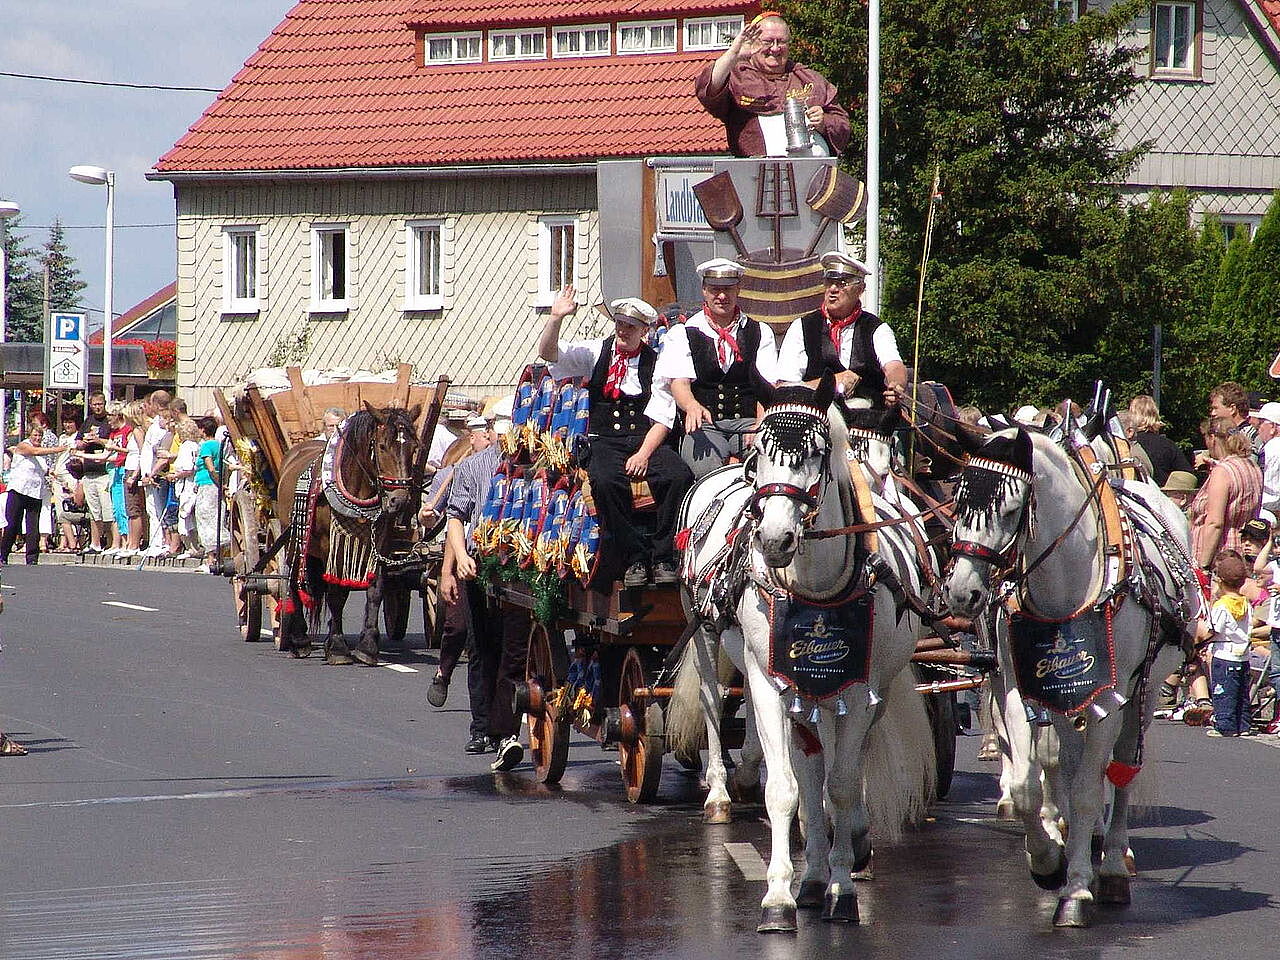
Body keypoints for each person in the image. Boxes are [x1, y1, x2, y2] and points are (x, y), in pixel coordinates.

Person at [538, 286, 693, 588]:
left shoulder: (657, 360)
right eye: (620, 324)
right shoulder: (596, 351)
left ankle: (663, 557)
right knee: (607, 481)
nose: (623, 331)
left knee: (679, 476)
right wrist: (556, 317)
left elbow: (664, 414)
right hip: (604, 440)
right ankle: (634, 557)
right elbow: (549, 354)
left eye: (630, 327)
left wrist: (644, 454)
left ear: (644, 330)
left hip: (644, 439)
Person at [440, 414, 530, 771]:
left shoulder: (534, 464)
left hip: (523, 567)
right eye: (501, 432)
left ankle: (506, 732)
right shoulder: (473, 467)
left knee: (514, 650)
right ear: (491, 433)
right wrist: (459, 558)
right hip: (479, 565)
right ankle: (483, 727)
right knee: (482, 649)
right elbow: (456, 517)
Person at [648, 258, 777, 478]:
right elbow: (679, 382)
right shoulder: (684, 333)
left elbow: (768, 386)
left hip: (748, 423)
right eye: (716, 290)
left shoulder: (760, 331)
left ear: (738, 289)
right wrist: (691, 406)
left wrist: (760, 423)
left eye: (728, 289)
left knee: (772, 464)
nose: (722, 296)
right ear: (704, 291)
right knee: (707, 472)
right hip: (706, 426)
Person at [694, 13, 850, 158]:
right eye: (768, 42)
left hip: (813, 177)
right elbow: (708, 89)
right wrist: (734, 53)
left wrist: (824, 123)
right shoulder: (738, 77)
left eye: (781, 42)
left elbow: (842, 125)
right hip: (757, 177)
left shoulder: (809, 78)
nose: (775, 48)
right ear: (754, 42)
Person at [774, 251, 908, 408]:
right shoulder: (802, 327)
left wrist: (896, 386)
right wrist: (832, 382)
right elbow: (785, 388)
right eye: (828, 282)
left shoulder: (877, 329)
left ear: (860, 289)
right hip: (817, 421)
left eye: (842, 283)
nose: (832, 289)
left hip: (869, 420)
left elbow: (894, 366)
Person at [1198, 552, 1259, 736]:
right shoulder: (1245, 603)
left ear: (1220, 581)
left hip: (1224, 654)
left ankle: (1225, 726)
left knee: (1223, 691)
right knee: (1241, 693)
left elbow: (1213, 629)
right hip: (1243, 655)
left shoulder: (1222, 605)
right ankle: (1244, 725)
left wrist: (1199, 640)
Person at [1189, 418, 1262, 571]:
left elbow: (1215, 523)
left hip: (1220, 558)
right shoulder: (1252, 467)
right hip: (1243, 555)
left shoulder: (1222, 471)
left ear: (1213, 438)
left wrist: (1203, 565)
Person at [1, 414, 69, 565]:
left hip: (35, 492)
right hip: (19, 490)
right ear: (29, 435)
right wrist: (61, 448)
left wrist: (53, 474)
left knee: (33, 526)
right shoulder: (23, 446)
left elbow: (43, 468)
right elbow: (35, 452)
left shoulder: (41, 455)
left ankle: (32, 557)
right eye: (35, 435)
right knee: (13, 523)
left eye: (40, 435)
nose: (37, 438)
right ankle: (3, 554)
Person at [77, 392, 116, 553]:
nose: (97, 407)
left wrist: (98, 440)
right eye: (94, 404)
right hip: (89, 470)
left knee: (107, 510)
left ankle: (112, 542)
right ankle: (95, 543)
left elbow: (114, 442)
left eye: (100, 404)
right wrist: (83, 442)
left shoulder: (109, 421)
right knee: (94, 511)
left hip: (104, 471)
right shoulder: (88, 421)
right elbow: (78, 441)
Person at [1127, 395, 1191, 486]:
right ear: (1155, 415)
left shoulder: (1126, 446)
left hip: (1131, 496)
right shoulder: (1168, 445)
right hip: (1162, 496)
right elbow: (1187, 476)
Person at [193, 416, 223, 570]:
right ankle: (215, 556)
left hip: (208, 485)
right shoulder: (218, 444)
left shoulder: (206, 446)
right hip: (212, 485)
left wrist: (218, 483)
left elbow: (210, 467)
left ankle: (211, 559)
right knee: (215, 518)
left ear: (203, 430)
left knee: (206, 520)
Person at [1208, 381, 1258, 456]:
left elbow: (1249, 464)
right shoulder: (1229, 434)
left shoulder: (1251, 436)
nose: (1213, 413)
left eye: (1216, 408)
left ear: (1232, 408)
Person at [1252, 401, 1280, 523]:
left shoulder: (1272, 447)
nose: (1258, 429)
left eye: (1261, 423)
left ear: (1273, 427)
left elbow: (1267, 484)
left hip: (1269, 509)